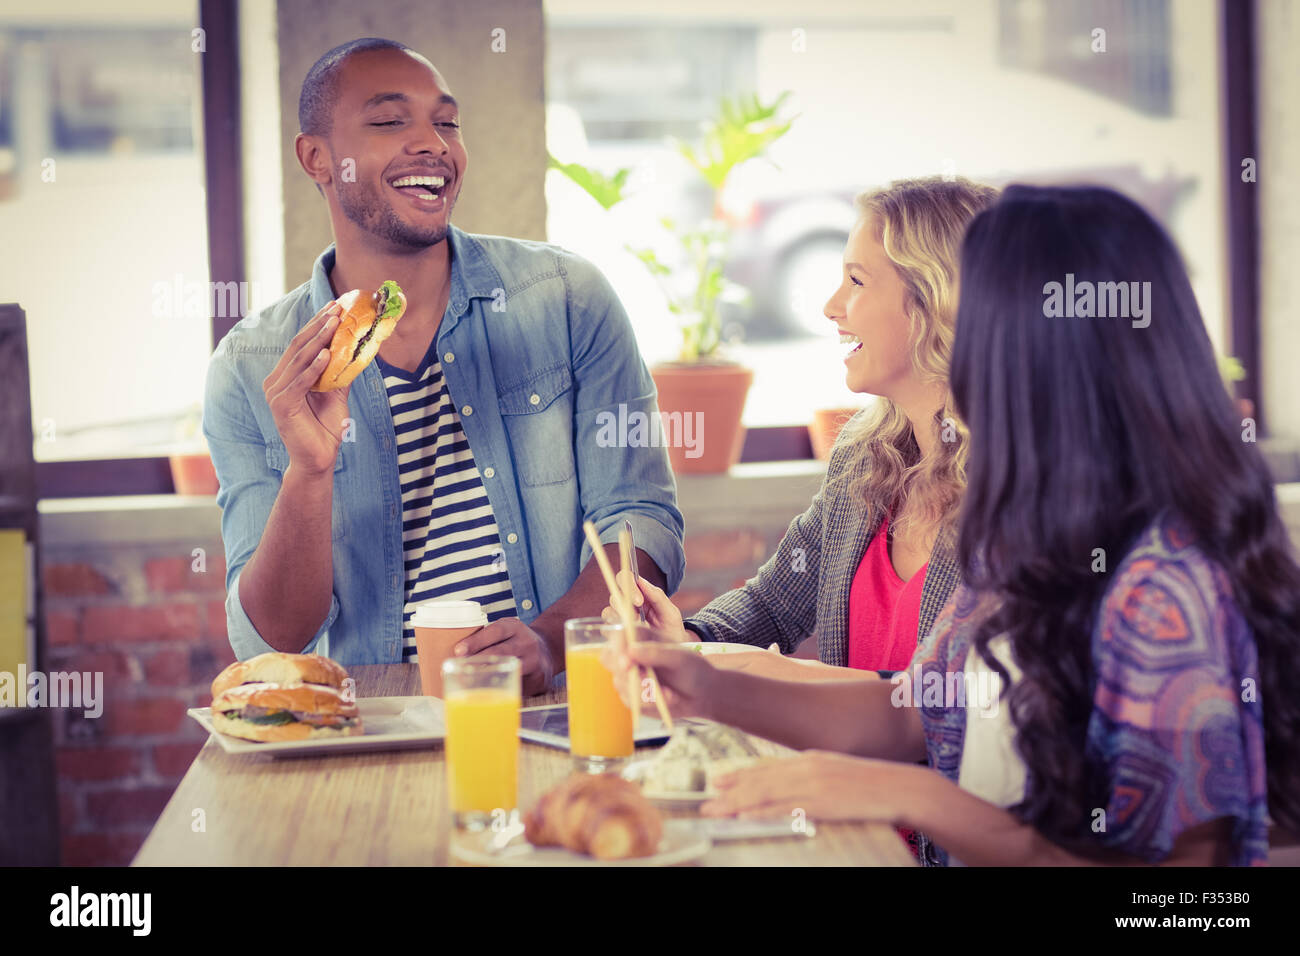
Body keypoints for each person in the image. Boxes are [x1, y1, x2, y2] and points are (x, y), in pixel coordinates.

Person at [608, 184, 1299, 865]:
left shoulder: (1166, 586)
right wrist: (707, 682)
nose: (961, 351)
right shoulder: (1027, 530)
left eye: (982, 331)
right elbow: (912, 713)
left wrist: (909, 796)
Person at [202, 38, 683, 693]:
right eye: (389, 121)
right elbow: (270, 638)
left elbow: (642, 517)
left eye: (446, 122)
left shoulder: (568, 297)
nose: (433, 143)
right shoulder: (248, 369)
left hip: (561, 710)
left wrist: (550, 641)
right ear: (317, 158)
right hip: (372, 730)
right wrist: (310, 471)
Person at [613, 177, 997, 685]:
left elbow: (964, 709)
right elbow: (773, 604)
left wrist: (790, 679)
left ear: (936, 299)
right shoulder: (865, 456)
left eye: (857, 282)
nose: (831, 307)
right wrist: (689, 642)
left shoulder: (1019, 492)